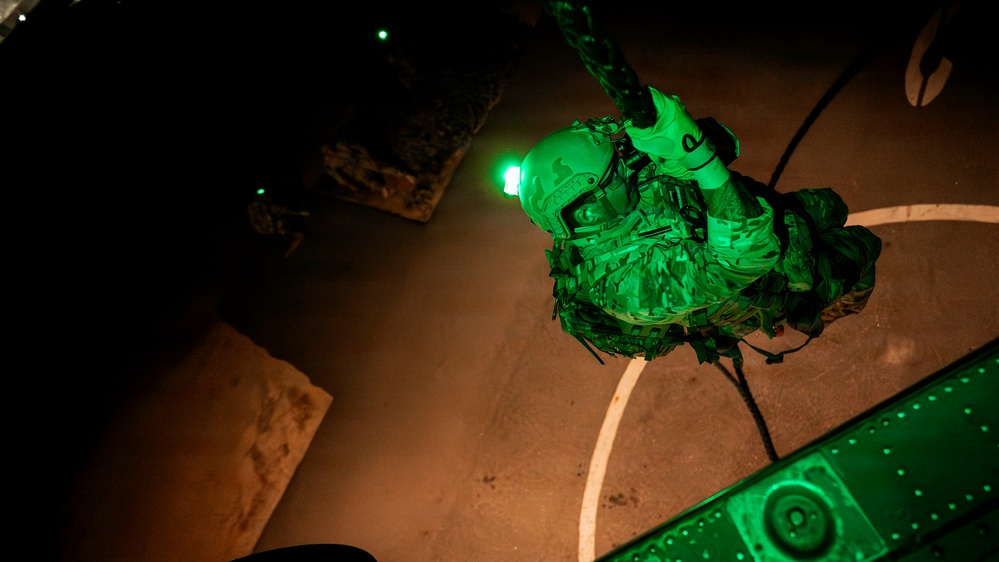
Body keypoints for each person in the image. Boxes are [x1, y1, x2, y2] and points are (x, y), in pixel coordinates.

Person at [518, 86, 882, 364]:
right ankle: (827, 307)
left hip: (766, 216)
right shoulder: (625, 287)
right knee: (864, 246)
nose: (626, 164)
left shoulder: (615, 195)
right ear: (588, 213)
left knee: (833, 203)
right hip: (759, 278)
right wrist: (698, 158)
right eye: (614, 171)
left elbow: (727, 145)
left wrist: (673, 136)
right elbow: (745, 256)